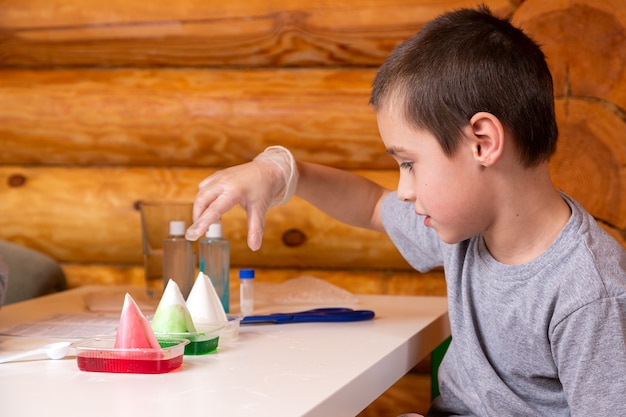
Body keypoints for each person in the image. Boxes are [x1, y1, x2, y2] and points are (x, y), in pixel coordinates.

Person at [185, 6, 626, 416]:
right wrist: (283, 172)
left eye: (410, 164)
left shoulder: (589, 294)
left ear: (483, 143)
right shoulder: (468, 226)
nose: (404, 190)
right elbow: (372, 205)